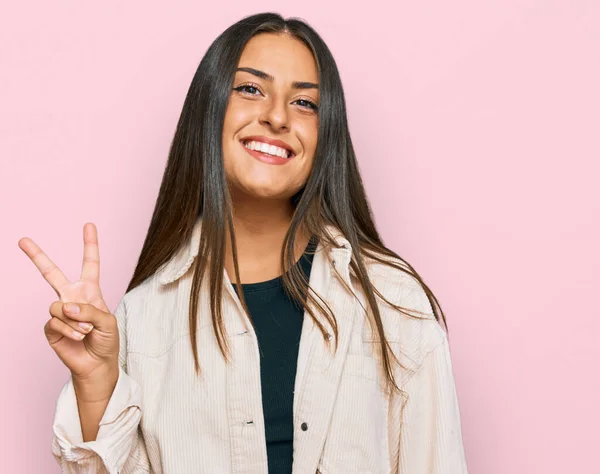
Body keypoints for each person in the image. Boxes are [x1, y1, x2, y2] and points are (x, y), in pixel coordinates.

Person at [19, 12, 468, 474]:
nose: (276, 116)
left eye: (305, 103)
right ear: (209, 109)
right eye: (251, 89)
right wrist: (95, 382)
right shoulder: (144, 316)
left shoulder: (392, 301)